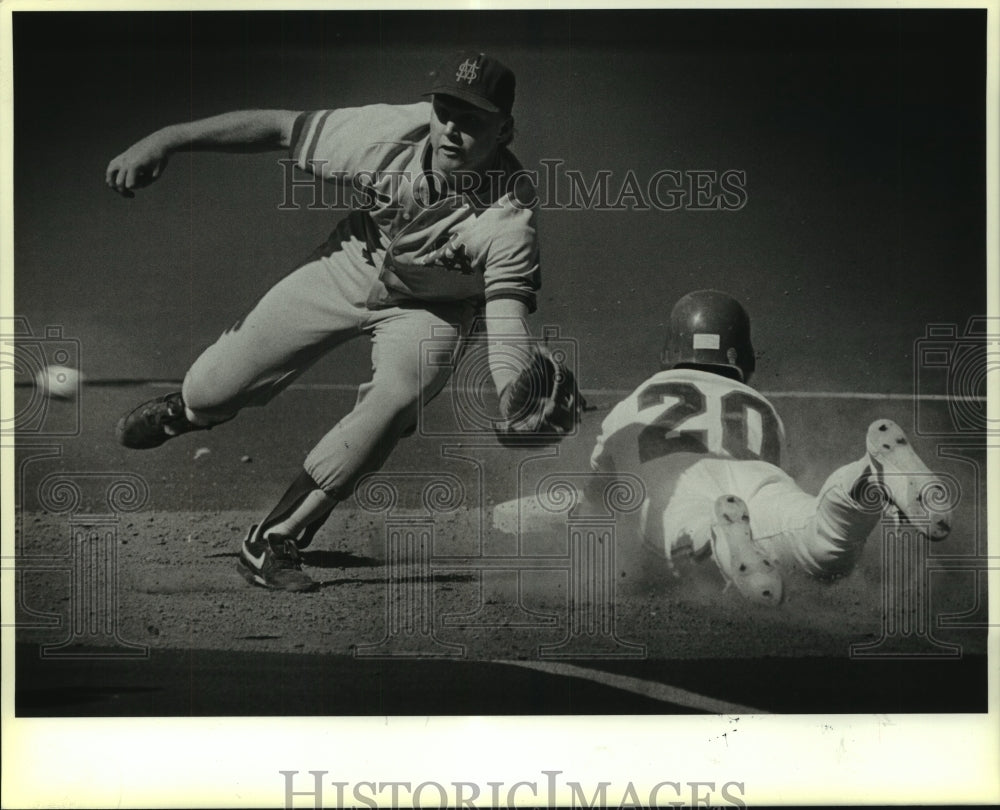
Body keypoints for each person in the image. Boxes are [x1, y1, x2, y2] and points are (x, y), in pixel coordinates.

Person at [107, 51, 544, 593]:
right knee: (212, 387)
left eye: (473, 119)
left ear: (505, 129)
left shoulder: (509, 219)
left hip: (433, 309)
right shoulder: (388, 136)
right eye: (445, 111)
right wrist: (166, 138)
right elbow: (277, 128)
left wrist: (514, 393)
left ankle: (275, 538)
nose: (452, 130)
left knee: (398, 398)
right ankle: (189, 411)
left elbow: (506, 316)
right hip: (352, 262)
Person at [588, 290, 954, 606]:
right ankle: (865, 478)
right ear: (739, 355)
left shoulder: (631, 404)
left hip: (678, 483)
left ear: (672, 350)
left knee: (694, 540)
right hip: (756, 477)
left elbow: (598, 498)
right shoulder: (762, 407)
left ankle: (719, 541)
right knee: (818, 541)